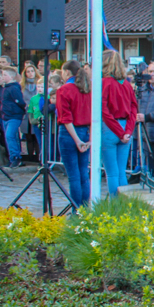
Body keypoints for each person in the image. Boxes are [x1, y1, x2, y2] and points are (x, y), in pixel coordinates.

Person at [99, 50, 138, 196]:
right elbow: (133, 107)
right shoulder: (127, 84)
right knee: (121, 172)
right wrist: (127, 131)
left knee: (112, 173)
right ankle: (124, 205)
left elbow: (104, 110)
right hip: (125, 127)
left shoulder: (104, 83)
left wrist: (120, 132)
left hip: (110, 128)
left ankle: (115, 205)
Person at [56, 60, 92, 207]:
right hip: (85, 131)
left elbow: (66, 118)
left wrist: (77, 140)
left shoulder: (64, 90)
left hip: (69, 133)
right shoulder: (88, 89)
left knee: (74, 176)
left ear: (66, 72)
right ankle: (84, 207)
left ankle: (76, 209)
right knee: (83, 173)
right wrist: (89, 139)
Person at [0, 66, 28, 168]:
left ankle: (15, 157)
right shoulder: (4, 88)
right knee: (11, 137)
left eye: (5, 75)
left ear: (11, 77)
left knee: (10, 136)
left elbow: (20, 102)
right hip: (5, 116)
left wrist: (19, 111)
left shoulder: (13, 88)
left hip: (14, 116)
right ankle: (13, 158)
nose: (3, 77)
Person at [19, 62, 42, 161]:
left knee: (36, 135)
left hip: (36, 112)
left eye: (32, 71)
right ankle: (30, 156)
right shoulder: (22, 85)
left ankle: (38, 156)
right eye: (28, 71)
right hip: (26, 112)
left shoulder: (39, 83)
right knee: (28, 136)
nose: (30, 73)